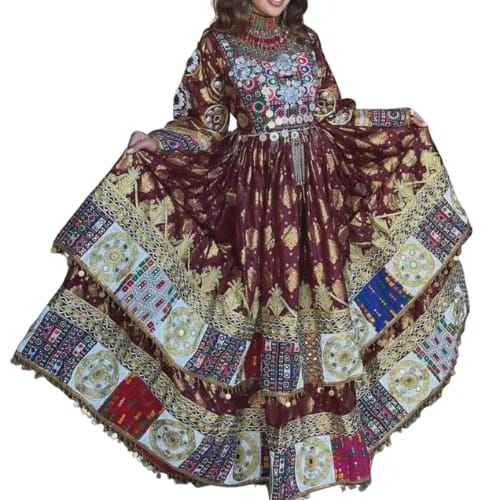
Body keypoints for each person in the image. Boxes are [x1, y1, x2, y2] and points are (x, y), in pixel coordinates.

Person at [10, 1, 472, 499]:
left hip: (319, 197)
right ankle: (271, 454)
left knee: (324, 308)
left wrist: (397, 118)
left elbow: (333, 113)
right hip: (261, 204)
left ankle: (324, 449)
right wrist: (158, 144)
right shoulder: (218, 45)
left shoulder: (306, 41)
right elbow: (202, 125)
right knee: (265, 315)